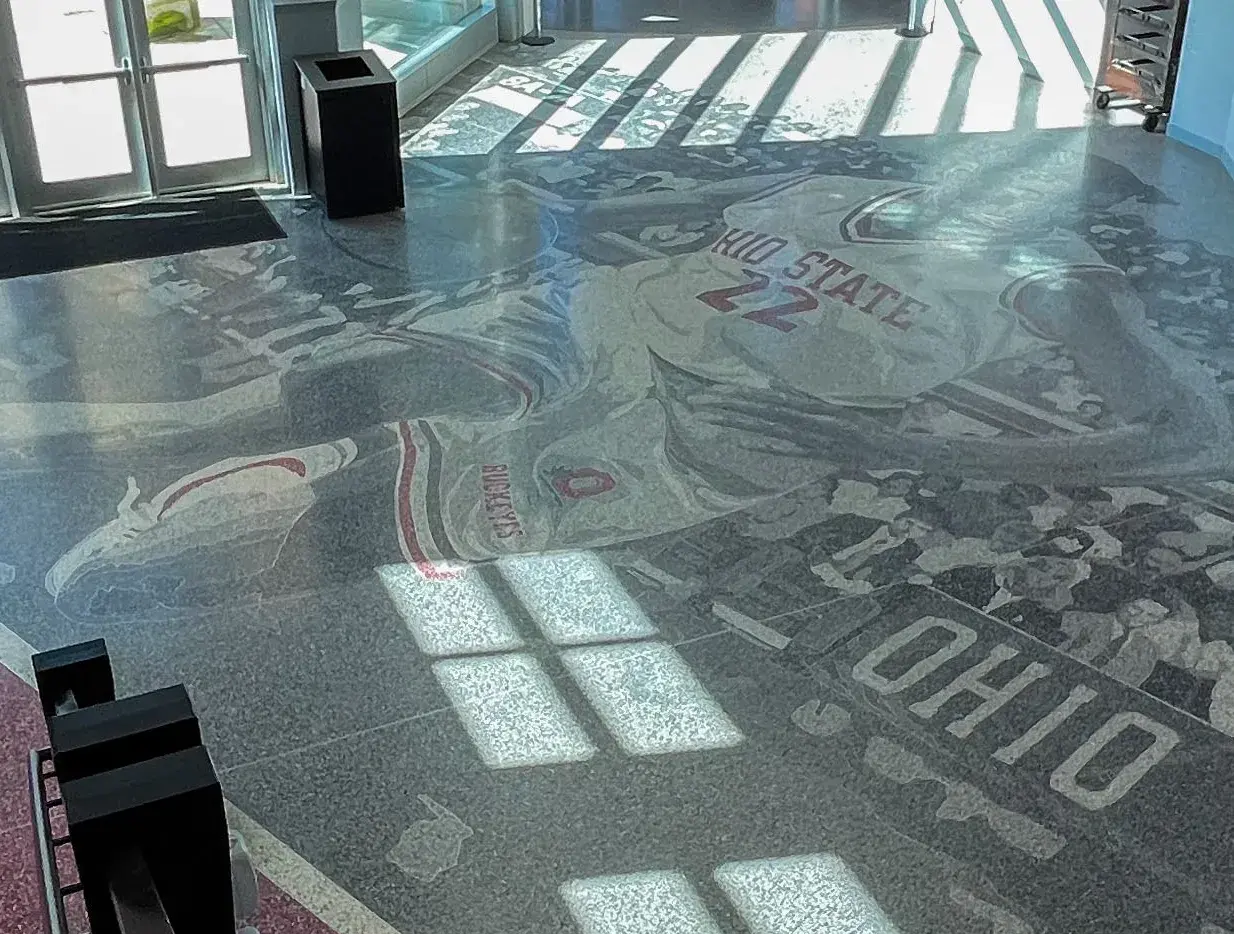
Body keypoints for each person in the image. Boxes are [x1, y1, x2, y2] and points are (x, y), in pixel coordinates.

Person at [32, 159, 1234, 619]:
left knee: (378, 523)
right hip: (569, 334)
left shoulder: (1043, 280)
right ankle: (87, 494)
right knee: (269, 408)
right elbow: (610, 212)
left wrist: (903, 453)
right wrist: (556, 250)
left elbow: (1188, 439)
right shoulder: (817, 186)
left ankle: (114, 589)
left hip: (682, 432)